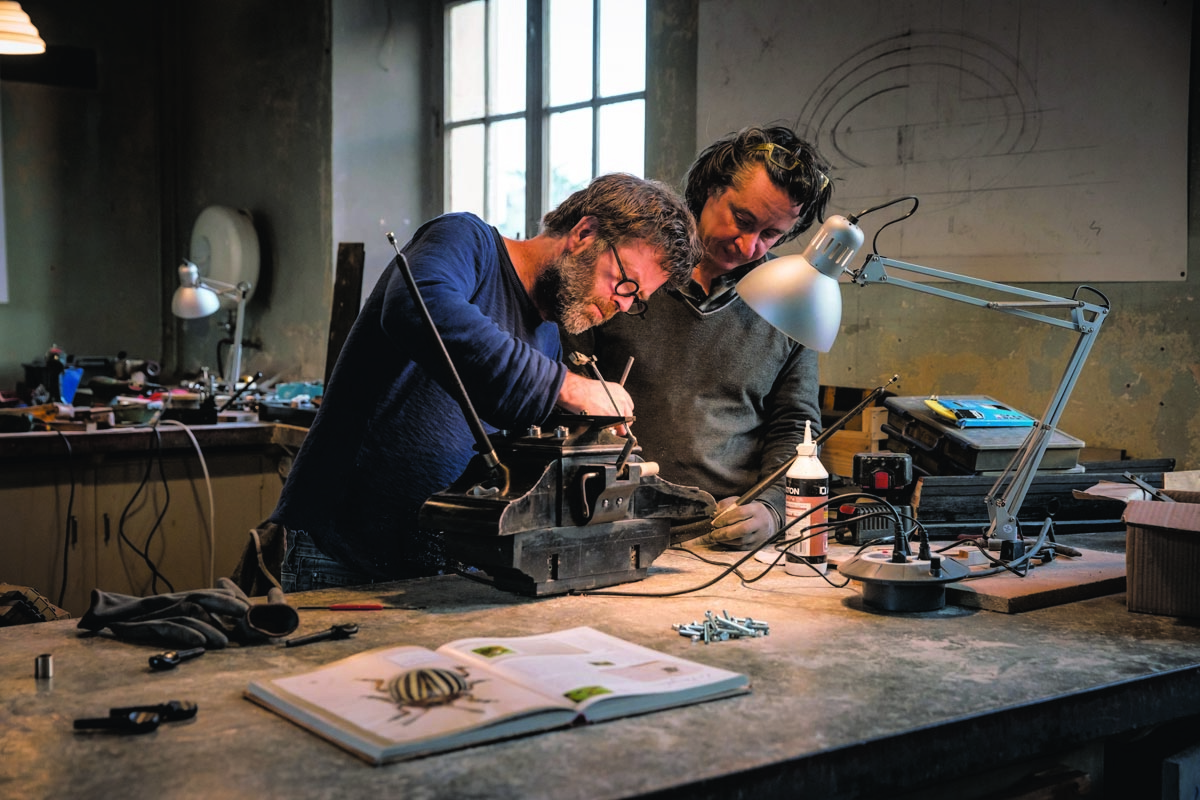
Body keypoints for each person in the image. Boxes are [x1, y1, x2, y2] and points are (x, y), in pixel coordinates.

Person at [272, 172, 702, 591]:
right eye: (625, 284)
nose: (623, 305)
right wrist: (565, 387)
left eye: (636, 300)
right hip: (337, 553)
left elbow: (507, 441)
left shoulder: (548, 334)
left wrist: (584, 434)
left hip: (439, 567)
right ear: (585, 233)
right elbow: (416, 305)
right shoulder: (466, 240)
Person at [562, 126, 832, 551]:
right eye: (742, 220)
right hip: (608, 524)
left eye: (771, 235)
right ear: (708, 189)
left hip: (725, 534)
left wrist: (773, 508)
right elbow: (563, 397)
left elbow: (796, 430)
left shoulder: (791, 303)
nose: (749, 246)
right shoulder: (624, 274)